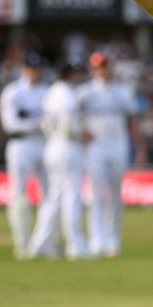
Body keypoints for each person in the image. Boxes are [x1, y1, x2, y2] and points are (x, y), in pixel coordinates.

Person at [78, 51, 139, 258]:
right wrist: (80, 133)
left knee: (115, 195)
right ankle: (97, 240)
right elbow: (72, 117)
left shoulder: (123, 92)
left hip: (117, 145)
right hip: (95, 148)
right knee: (96, 194)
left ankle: (113, 240)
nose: (103, 70)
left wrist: (139, 148)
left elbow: (132, 121)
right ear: (93, 69)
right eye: (99, 67)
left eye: (105, 66)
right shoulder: (84, 93)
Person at [27, 63, 90, 260]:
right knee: (71, 197)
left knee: (54, 197)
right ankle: (76, 246)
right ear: (71, 75)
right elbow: (69, 125)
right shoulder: (67, 95)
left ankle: (38, 245)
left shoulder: (50, 93)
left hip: (51, 146)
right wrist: (83, 134)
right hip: (67, 146)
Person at [0, 52, 48, 260]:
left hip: (44, 144)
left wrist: (36, 123)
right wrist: (38, 123)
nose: (34, 72)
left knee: (50, 194)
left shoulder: (47, 91)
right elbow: (10, 124)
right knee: (19, 195)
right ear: (23, 69)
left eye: (37, 68)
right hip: (20, 144)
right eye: (30, 68)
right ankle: (22, 243)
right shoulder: (13, 92)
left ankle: (44, 243)